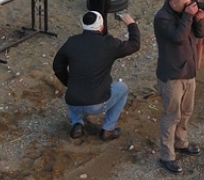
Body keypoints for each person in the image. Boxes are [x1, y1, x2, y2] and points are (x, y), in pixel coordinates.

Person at [52, 10, 140, 141]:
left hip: (73, 101)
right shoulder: (108, 44)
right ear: (102, 26)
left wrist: (69, 83)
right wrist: (131, 24)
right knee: (123, 88)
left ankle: (77, 123)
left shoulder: (72, 42)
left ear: (83, 25)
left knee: (73, 93)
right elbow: (134, 45)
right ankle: (108, 129)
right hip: (97, 103)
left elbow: (57, 66)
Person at [154, 0, 204, 174]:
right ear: (174, 1)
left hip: (189, 72)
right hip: (172, 76)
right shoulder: (162, 18)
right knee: (171, 116)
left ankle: (181, 142)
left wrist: (199, 20)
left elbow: (199, 35)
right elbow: (178, 37)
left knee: (186, 112)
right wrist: (188, 16)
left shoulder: (185, 15)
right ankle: (166, 155)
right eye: (185, 4)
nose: (189, 7)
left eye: (190, 3)